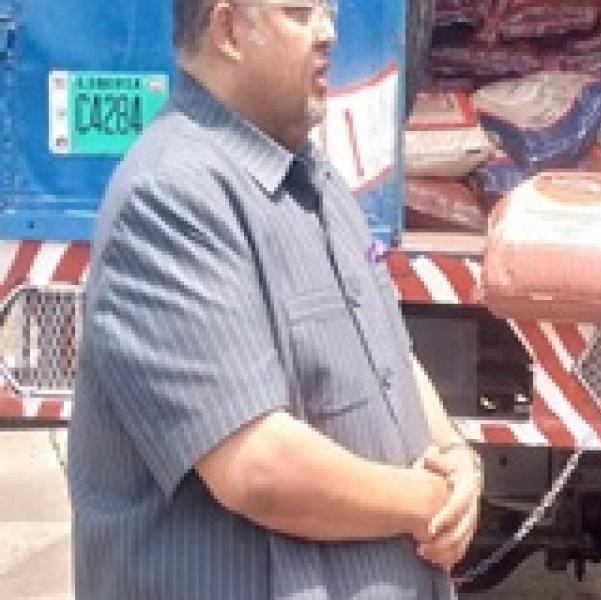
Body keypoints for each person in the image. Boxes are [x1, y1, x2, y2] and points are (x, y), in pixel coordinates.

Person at [67, 1, 480, 598]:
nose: (329, 32)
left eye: (329, 10)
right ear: (229, 29)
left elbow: (392, 355)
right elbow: (257, 466)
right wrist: (425, 503)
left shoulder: (317, 180)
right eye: (299, 12)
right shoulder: (170, 197)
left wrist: (456, 456)